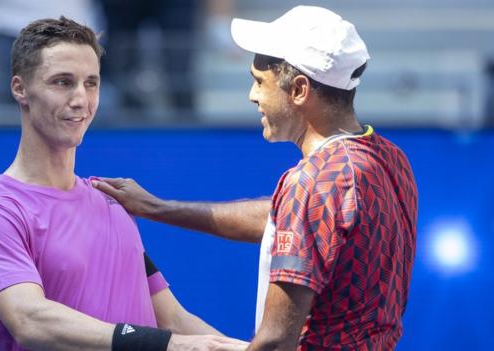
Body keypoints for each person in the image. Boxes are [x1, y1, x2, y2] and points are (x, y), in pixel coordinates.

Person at [92, 6, 418, 350]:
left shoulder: (311, 183)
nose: (253, 95)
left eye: (260, 82)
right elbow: (289, 219)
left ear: (300, 90)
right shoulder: (388, 158)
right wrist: (157, 208)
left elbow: (276, 341)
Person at [0, 17, 248, 351]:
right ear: (20, 89)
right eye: (62, 82)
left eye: (91, 83)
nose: (81, 99)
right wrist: (167, 346)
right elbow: (29, 319)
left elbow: (172, 319)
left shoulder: (111, 201)